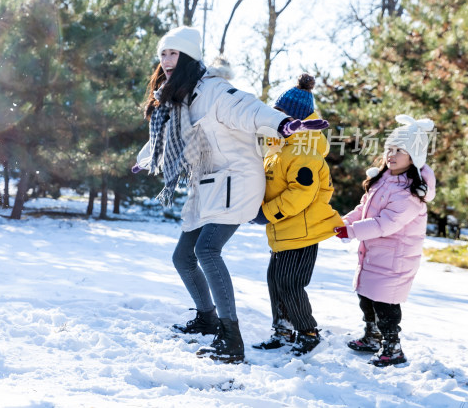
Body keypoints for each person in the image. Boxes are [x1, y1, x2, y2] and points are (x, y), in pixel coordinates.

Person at [133, 26, 328, 364]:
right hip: (207, 184)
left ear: (189, 57)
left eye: (173, 53)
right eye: (163, 53)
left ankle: (230, 337)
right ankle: (207, 318)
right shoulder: (178, 96)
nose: (166, 60)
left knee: (207, 250)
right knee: (183, 257)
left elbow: (252, 110)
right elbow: (166, 136)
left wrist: (283, 124)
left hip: (237, 181)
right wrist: (145, 159)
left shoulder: (216, 91)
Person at [250, 73, 343, 356]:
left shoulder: (305, 154)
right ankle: (283, 330)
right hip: (284, 231)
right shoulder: (278, 149)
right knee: (275, 282)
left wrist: (267, 213)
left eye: (279, 115)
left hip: (301, 233)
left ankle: (308, 332)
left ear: (294, 119)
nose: (273, 121)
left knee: (290, 284)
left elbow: (300, 193)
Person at [334, 114, 436, 367]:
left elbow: (386, 223)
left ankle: (392, 347)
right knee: (366, 298)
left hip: (395, 258)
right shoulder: (383, 179)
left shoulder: (411, 192)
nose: (392, 154)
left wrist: (353, 231)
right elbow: (364, 208)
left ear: (414, 156)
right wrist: (344, 223)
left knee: (386, 305)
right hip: (375, 254)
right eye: (389, 149)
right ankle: (372, 336)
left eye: (400, 150)